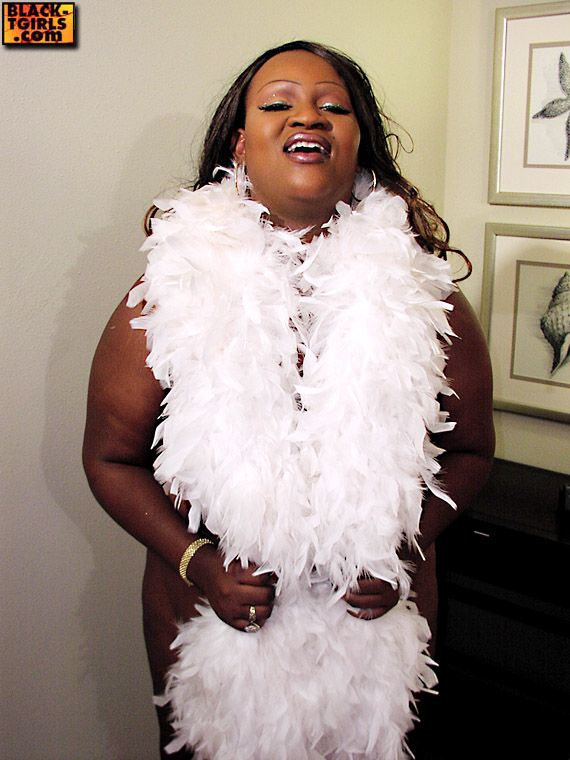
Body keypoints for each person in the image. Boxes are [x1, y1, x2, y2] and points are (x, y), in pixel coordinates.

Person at [83, 40, 494, 760]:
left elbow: (472, 451)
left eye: (333, 106)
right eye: (279, 102)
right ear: (240, 145)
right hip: (211, 627)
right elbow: (110, 460)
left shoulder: (430, 299)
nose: (308, 114)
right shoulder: (165, 294)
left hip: (373, 641)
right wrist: (199, 563)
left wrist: (405, 547)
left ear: (358, 145)